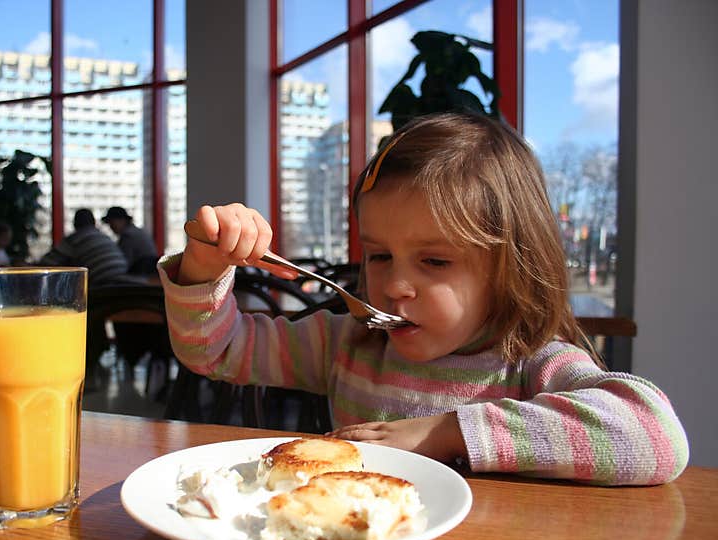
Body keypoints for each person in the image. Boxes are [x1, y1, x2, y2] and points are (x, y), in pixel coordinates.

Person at [157, 112, 689, 486]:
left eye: (434, 261)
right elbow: (216, 351)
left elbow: (657, 438)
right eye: (380, 255)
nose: (393, 286)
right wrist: (204, 269)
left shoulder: (530, 363)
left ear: (509, 270)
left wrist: (445, 432)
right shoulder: (346, 343)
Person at [39, 208, 129, 286]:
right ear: (94, 223)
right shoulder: (104, 237)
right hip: (123, 283)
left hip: (102, 287)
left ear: (75, 224)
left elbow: (46, 263)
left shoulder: (74, 239)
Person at [102, 205, 159, 275]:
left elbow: (123, 263)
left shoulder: (127, 236)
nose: (110, 226)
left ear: (122, 220)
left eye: (111, 222)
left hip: (142, 275)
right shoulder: (138, 231)